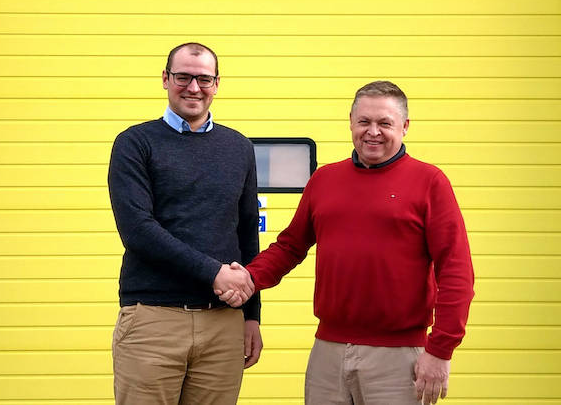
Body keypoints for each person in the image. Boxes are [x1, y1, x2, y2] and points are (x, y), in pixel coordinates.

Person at [218, 81, 474, 405]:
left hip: (399, 358)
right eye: (364, 122)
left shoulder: (430, 182)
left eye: (385, 123)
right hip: (328, 353)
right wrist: (250, 279)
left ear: (405, 127)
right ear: (350, 122)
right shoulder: (325, 180)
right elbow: (289, 247)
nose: (373, 132)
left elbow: (456, 272)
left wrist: (440, 350)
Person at [108, 42, 262, 405]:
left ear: (217, 83)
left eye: (204, 79)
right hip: (153, 320)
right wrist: (215, 273)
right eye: (183, 77)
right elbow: (138, 231)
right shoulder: (135, 143)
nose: (194, 87)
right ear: (165, 79)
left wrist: (252, 316)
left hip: (224, 323)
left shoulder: (239, 147)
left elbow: (246, 232)